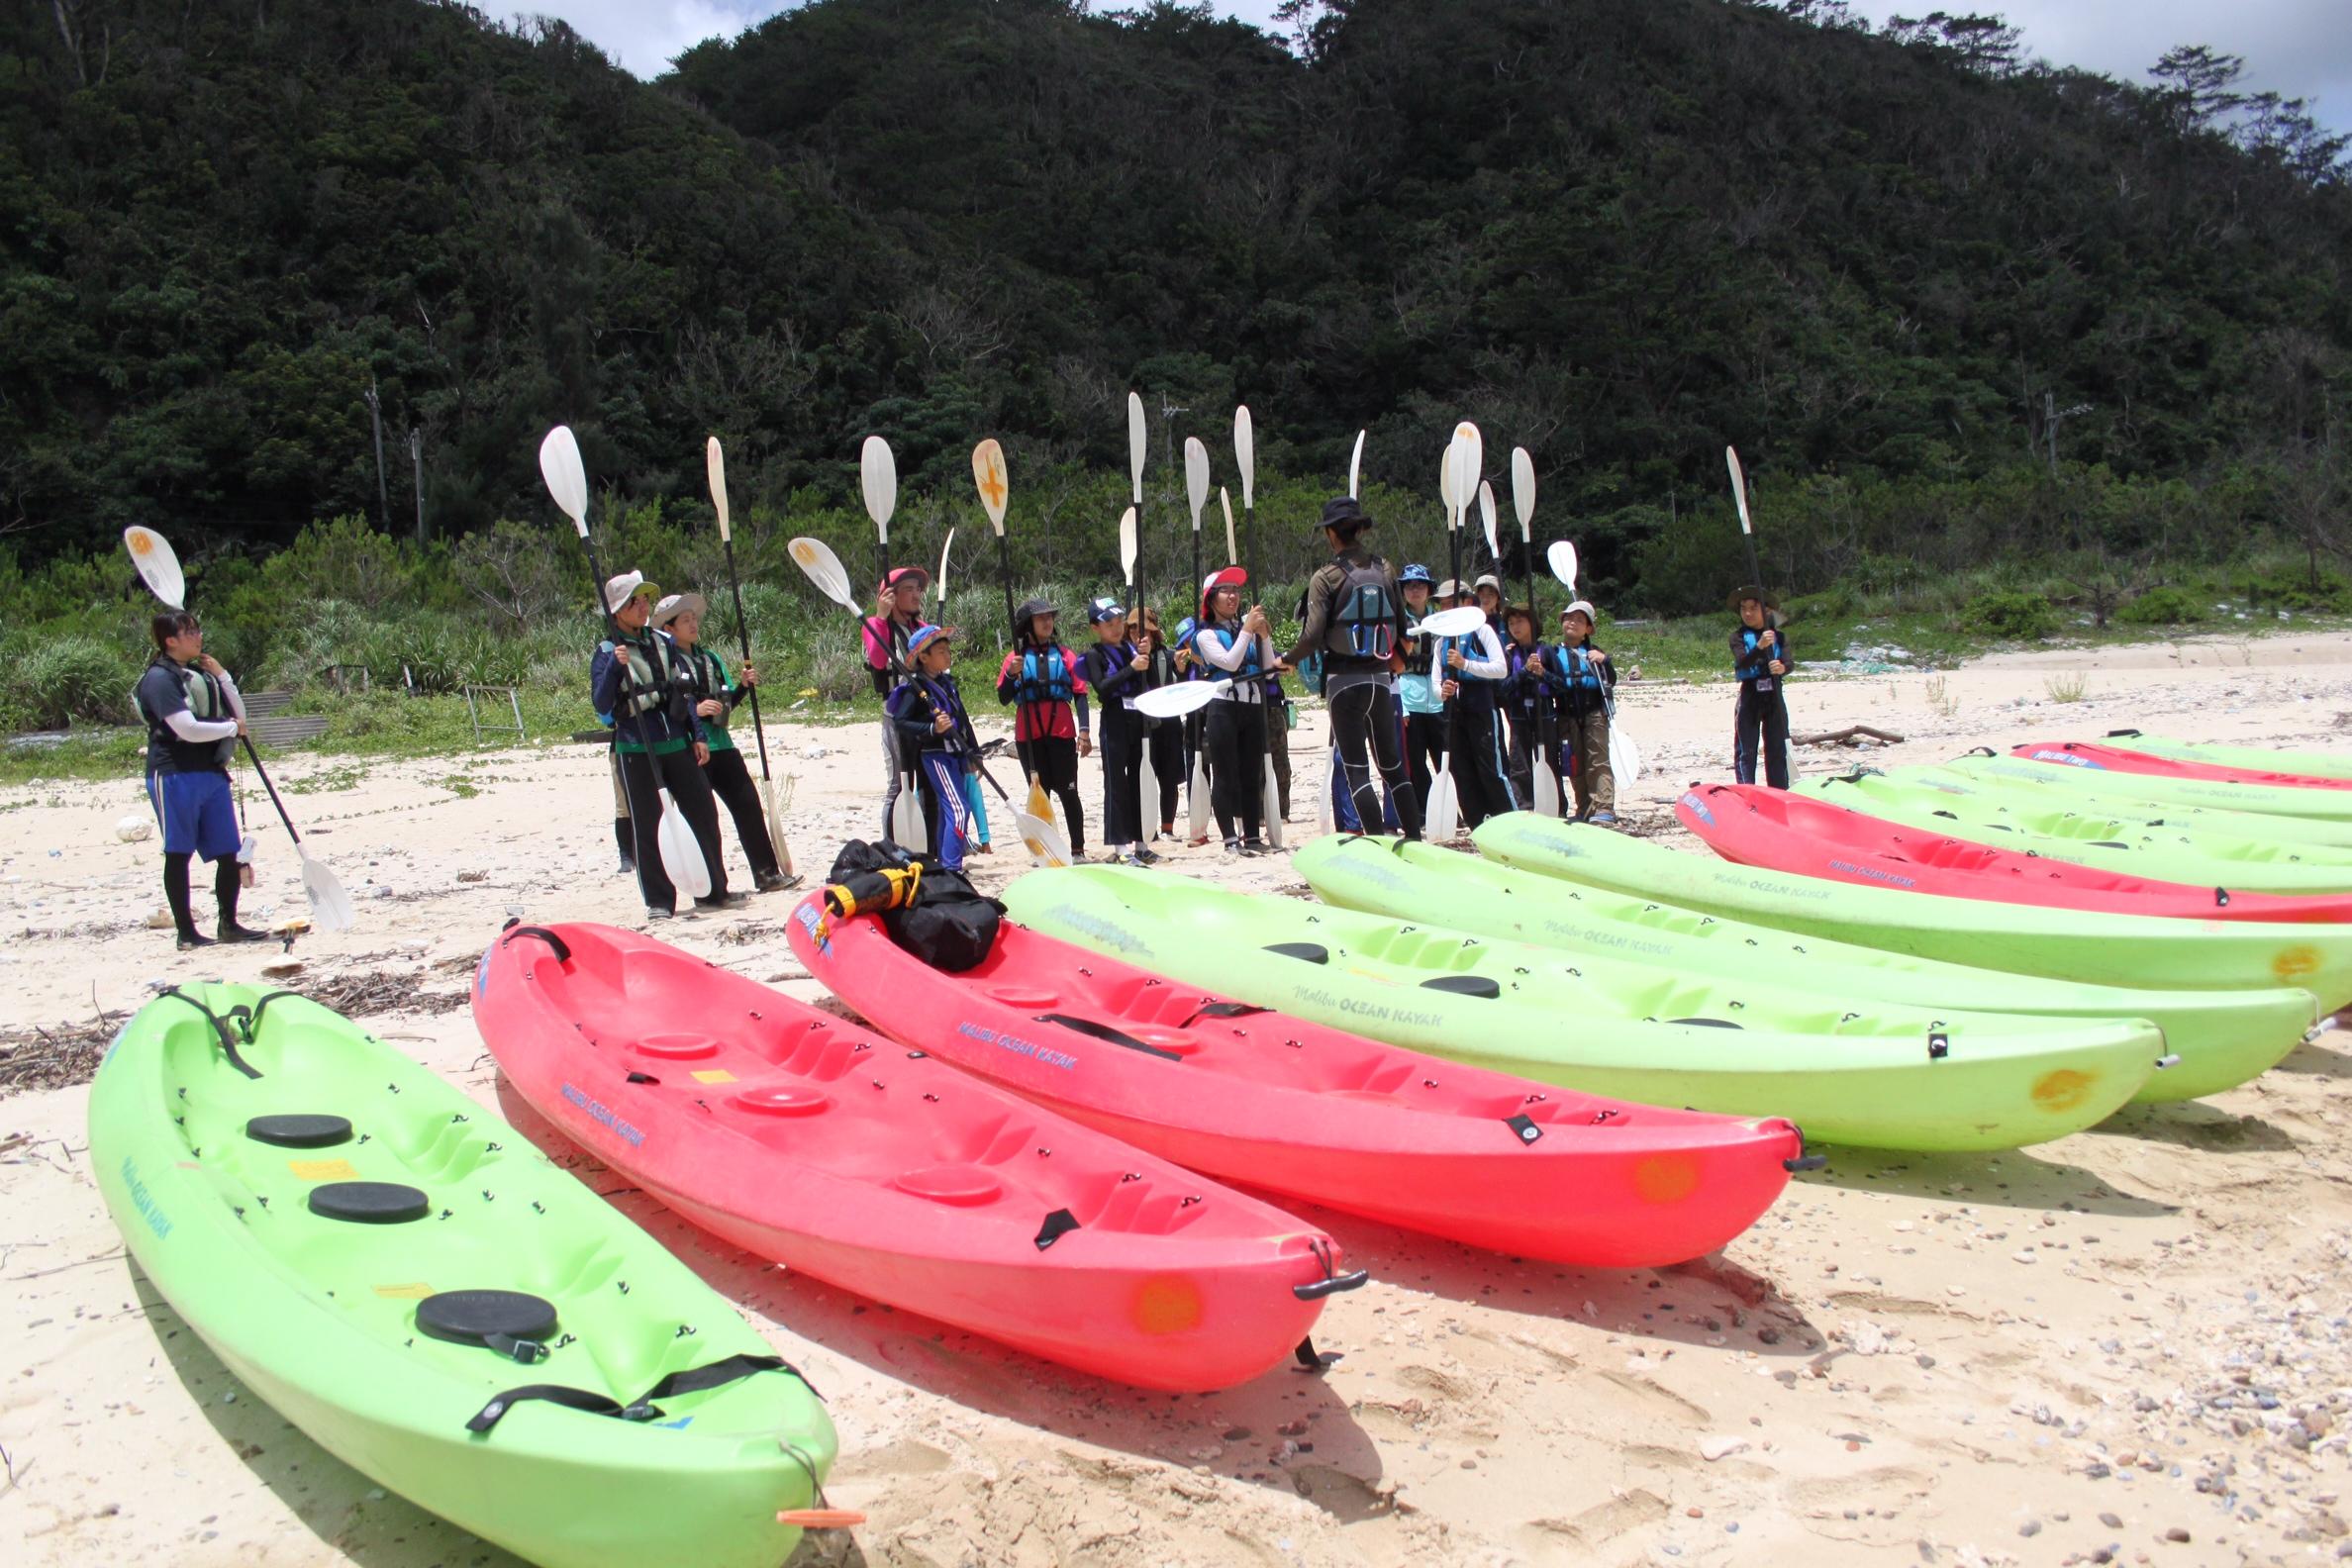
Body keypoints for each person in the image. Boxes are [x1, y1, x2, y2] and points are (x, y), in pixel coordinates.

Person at [591, 571, 741, 920]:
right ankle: (659, 901)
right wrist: (615, 667)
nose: (643, 606)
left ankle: (713, 890)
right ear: (617, 612)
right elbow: (601, 704)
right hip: (636, 748)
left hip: (676, 742)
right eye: (635, 602)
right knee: (648, 825)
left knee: (703, 812)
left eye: (644, 599)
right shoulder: (605, 652)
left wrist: (698, 736)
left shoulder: (663, 642)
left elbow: (683, 693)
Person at [1277, 497, 1421, 840]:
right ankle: (1415, 840)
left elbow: (1312, 636)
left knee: (1357, 770)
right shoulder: (1386, 569)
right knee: (1393, 768)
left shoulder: (1325, 577)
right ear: (1359, 528)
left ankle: (1376, 840)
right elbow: (1402, 627)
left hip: (1344, 684)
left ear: (1330, 533)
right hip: (1381, 681)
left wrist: (1287, 660)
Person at [135, 612, 263, 950]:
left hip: (210, 772)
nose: (198, 636)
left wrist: (222, 676)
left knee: (228, 852)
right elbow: (186, 728)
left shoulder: (199, 673)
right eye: (189, 632)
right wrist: (231, 729)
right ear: (170, 640)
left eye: (197, 629)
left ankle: (229, 924)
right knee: (178, 852)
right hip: (174, 773)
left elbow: (240, 715)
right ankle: (187, 934)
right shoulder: (159, 679)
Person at [651, 593, 789, 892]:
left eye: (693, 619)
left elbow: (726, 706)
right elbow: (663, 707)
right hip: (689, 750)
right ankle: (714, 886)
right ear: (669, 628)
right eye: (685, 620)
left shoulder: (710, 658)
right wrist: (695, 711)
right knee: (704, 819)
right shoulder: (665, 663)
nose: (693, 624)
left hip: (722, 745)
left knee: (748, 806)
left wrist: (742, 686)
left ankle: (767, 874)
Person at [997, 597, 1090, 859]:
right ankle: (1047, 852)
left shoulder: (1064, 655)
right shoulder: (1014, 659)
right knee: (1040, 793)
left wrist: (1084, 731)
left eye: (1050, 617)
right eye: (1041, 618)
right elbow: (1004, 697)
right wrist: (1010, 675)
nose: (1048, 622)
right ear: (1028, 625)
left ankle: (1078, 850)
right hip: (1029, 737)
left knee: (1069, 792)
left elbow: (1080, 694)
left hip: (1061, 734)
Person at [886, 625, 982, 871]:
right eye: (941, 651)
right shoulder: (915, 689)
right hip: (935, 755)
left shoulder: (946, 683)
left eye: (947, 650)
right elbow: (901, 722)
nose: (947, 655)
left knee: (947, 810)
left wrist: (975, 751)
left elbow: (963, 717)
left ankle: (943, 863)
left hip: (956, 755)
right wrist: (931, 729)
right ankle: (952, 868)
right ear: (924, 657)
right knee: (959, 810)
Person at [1194, 568, 1276, 855]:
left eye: (1236, 590)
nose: (1233, 596)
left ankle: (1252, 836)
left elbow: (1267, 672)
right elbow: (1229, 663)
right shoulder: (1205, 635)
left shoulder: (1247, 631)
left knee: (1252, 774)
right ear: (1211, 599)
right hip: (1222, 707)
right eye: (1225, 591)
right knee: (1225, 773)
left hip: (1252, 705)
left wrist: (1264, 636)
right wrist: (1247, 630)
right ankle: (1230, 838)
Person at [1075, 597, 1156, 865]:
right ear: (1095, 627)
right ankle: (1120, 846)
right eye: (1109, 624)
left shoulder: (1132, 649)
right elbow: (1102, 688)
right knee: (1116, 783)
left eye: (1119, 622)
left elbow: (1151, 682)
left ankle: (1142, 842)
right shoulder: (1094, 656)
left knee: (1139, 780)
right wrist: (1132, 667)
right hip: (1114, 719)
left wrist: (1147, 656)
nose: (1116, 628)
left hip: (1138, 716)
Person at [1433, 581, 1519, 829]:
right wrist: (1443, 691)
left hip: (1481, 709)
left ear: (1466, 603)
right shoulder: (1441, 641)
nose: (1446, 608)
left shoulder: (1482, 631)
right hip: (1454, 715)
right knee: (1462, 773)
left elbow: (1500, 668)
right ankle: (1478, 824)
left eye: (1452, 603)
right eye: (1443, 604)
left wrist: (1465, 664)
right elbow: (1435, 682)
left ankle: (1509, 822)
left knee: (1490, 770)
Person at [862, 565, 930, 840]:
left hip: (925, 715)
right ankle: (893, 846)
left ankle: (930, 845)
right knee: (899, 786)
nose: (917, 596)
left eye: (918, 589)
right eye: (909, 590)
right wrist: (881, 616)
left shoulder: (922, 628)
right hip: (897, 717)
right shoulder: (876, 627)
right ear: (891, 596)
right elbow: (878, 660)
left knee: (928, 785)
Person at [1552, 601, 1618, 823]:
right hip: (1566, 714)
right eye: (1569, 618)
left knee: (1598, 760)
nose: (1573, 622)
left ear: (1588, 629)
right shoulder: (1552, 652)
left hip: (1594, 712)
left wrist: (1605, 661)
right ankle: (1585, 807)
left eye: (1580, 620)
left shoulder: (1595, 653)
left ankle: (1604, 807)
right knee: (1575, 762)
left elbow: (1612, 680)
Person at [1729, 584, 1793, 789]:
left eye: (1753, 608)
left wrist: (1781, 667)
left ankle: (1779, 791)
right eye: (1743, 608)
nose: (1747, 613)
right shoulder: (1737, 637)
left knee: (1776, 749)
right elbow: (1742, 663)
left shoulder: (1779, 637)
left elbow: (1789, 663)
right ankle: (1746, 791)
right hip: (1750, 696)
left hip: (1774, 696)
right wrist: (1759, 648)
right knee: (1746, 750)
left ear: (1766, 611)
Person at [1395, 564, 1444, 805]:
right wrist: (1401, 706)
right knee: (1415, 759)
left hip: (1437, 695)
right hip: (1409, 694)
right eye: (1410, 586)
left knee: (1443, 757)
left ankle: (1449, 807)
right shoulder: (1398, 619)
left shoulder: (1440, 618)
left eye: (1420, 585)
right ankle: (1424, 807)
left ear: (1429, 590)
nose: (1415, 590)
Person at [1139, 607, 1185, 840]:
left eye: (1148, 631)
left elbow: (1184, 686)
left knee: (1169, 780)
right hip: (1143, 726)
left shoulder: (1168, 656)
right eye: (1139, 631)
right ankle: (1149, 829)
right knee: (1145, 780)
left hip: (1168, 725)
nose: (1144, 636)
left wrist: (1181, 669)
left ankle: (1167, 828)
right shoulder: (1132, 659)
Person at [1500, 604, 1549, 811]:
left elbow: (1560, 685)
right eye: (1511, 623)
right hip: (1519, 713)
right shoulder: (1510, 655)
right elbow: (1503, 688)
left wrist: (1543, 673)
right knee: (1519, 764)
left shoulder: (1546, 651)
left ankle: (1555, 805)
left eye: (1520, 621)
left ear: (1532, 623)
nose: (1515, 627)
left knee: (1548, 761)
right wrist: (1524, 671)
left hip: (1543, 712)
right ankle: (1524, 805)